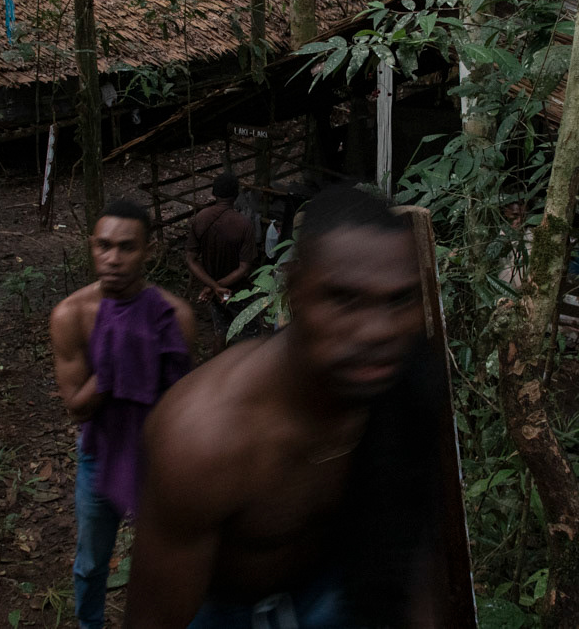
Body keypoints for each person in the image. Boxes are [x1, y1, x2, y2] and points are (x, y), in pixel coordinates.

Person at [125, 186, 445, 629]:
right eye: (345, 299)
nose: (376, 331)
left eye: (398, 300)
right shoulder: (204, 439)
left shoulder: (404, 383)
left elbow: (413, 547)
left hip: (344, 586)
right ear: (296, 292)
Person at [49, 200, 198, 629]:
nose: (113, 259)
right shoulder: (70, 315)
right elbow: (76, 407)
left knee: (165, 558)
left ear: (148, 250)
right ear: (92, 247)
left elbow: (183, 401)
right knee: (92, 561)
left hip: (159, 456)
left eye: (127, 248)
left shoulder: (175, 316)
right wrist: (119, 357)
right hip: (100, 451)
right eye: (104, 246)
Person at [185, 172, 261, 349]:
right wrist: (218, 287)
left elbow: (190, 259)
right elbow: (244, 268)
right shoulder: (244, 225)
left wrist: (212, 287)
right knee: (252, 337)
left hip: (216, 293)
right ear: (236, 196)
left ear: (214, 193)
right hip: (238, 292)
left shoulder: (200, 218)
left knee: (221, 332)